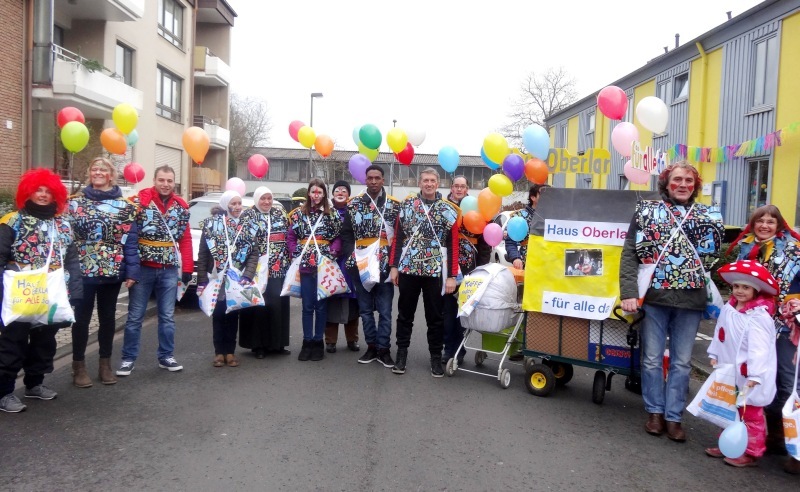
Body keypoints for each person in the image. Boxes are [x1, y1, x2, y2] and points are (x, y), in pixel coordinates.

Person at [619, 161, 724, 442]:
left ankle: (673, 416)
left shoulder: (707, 215)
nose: (683, 185)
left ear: (695, 186)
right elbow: (630, 253)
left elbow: (712, 257)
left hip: (691, 300)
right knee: (652, 359)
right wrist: (628, 292)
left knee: (682, 362)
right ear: (666, 183)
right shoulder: (646, 211)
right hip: (655, 298)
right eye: (677, 179)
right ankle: (655, 412)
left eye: (689, 180)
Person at [0, 169, 82, 413]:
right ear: (28, 192)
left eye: (48, 191)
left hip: (53, 293)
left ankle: (34, 384)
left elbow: (72, 260)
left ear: (56, 195)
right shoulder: (12, 221)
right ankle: (4, 392)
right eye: (38, 190)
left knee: (44, 341)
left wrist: (76, 292)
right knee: (13, 342)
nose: (43, 195)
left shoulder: (64, 225)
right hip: (20, 293)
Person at [726, 204, 800, 473]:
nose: (765, 225)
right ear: (753, 224)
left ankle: (786, 441)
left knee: (787, 382)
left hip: (784, 323)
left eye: (771, 221)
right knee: (753, 379)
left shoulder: (793, 249)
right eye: (760, 221)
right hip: (752, 322)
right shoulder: (746, 247)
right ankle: (760, 436)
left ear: (779, 225)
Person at [68, 157, 139, 387]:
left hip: (112, 270)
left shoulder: (125, 207)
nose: (98, 172)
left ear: (111, 175)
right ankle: (78, 366)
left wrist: (132, 271)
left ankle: (105, 365)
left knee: (108, 318)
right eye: (94, 169)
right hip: (82, 269)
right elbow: (65, 238)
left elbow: (130, 241)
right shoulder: (74, 204)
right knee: (81, 319)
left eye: (103, 169)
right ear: (90, 173)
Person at [117, 165, 193, 376]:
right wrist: (130, 269)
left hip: (169, 269)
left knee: (167, 316)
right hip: (143, 268)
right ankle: (128, 358)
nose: (165, 184)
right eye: (161, 180)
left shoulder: (181, 207)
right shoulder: (140, 203)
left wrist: (187, 267)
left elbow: (185, 239)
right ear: (154, 180)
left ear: (174, 183)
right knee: (135, 316)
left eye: (169, 181)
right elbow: (129, 237)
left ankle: (166, 356)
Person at [704, 260, 778, 467]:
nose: (739, 291)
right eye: (736, 286)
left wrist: (755, 375)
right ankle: (728, 444)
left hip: (750, 374)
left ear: (755, 290)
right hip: (731, 370)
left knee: (750, 413)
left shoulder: (759, 317)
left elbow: (760, 349)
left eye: (746, 287)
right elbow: (720, 333)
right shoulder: (729, 309)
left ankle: (751, 451)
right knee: (729, 408)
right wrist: (715, 353)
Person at [388, 167, 459, 377]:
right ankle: (401, 355)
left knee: (435, 318)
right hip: (408, 269)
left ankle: (435, 358)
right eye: (425, 180)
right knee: (404, 316)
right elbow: (398, 238)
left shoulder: (449, 210)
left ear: (438, 184)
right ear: (419, 183)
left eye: (432, 181)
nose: (428, 184)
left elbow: (453, 244)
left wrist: (452, 276)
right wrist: (394, 266)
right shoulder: (407, 205)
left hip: (435, 272)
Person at [342, 165, 400, 367]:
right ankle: (372, 347)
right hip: (361, 263)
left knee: (385, 311)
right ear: (365, 180)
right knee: (365, 311)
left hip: (385, 264)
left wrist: (394, 264)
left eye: (377, 178)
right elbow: (347, 234)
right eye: (370, 178)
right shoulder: (353, 204)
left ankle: (384, 349)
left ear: (383, 180)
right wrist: (352, 256)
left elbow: (399, 237)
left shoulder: (394, 205)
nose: (373, 181)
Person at [197, 190, 258, 368]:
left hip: (237, 278)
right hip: (217, 277)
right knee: (218, 314)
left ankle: (230, 352)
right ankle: (219, 352)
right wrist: (202, 279)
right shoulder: (211, 225)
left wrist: (248, 274)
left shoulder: (247, 226)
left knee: (233, 314)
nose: (237, 207)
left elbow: (254, 253)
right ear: (225, 205)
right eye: (233, 203)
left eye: (239, 203)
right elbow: (203, 253)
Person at [287, 178, 342, 362]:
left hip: (324, 264)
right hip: (305, 264)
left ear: (324, 194)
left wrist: (333, 251)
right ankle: (307, 342)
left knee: (321, 306)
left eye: (319, 192)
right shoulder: (298, 214)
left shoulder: (331, 214)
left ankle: (318, 342)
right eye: (313, 192)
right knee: (307, 306)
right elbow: (291, 236)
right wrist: (295, 251)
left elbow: (338, 237)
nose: (316, 195)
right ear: (309, 193)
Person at [237, 186, 292, 358]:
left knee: (278, 305)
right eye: (263, 198)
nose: (266, 202)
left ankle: (277, 344)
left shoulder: (280, 213)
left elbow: (289, 235)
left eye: (269, 198)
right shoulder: (248, 215)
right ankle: (258, 345)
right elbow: (242, 241)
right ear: (256, 199)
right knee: (259, 305)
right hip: (256, 269)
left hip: (278, 267)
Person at [443, 175, 490, 363]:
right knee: (446, 313)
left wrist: (482, 268)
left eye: (462, 186)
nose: (459, 189)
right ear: (451, 188)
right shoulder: (443, 207)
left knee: (462, 313)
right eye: (456, 186)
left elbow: (485, 244)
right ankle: (448, 349)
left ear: (467, 188)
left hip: (469, 269)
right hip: (446, 268)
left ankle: (459, 352)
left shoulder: (477, 208)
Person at [324, 180, 360, 354]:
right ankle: (330, 341)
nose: (340, 193)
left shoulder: (355, 211)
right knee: (331, 299)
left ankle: (352, 339)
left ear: (348, 194)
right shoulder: (325, 212)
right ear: (332, 194)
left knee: (352, 302)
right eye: (337, 190)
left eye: (344, 190)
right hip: (330, 261)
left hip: (350, 261)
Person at [506, 183, 549, 269]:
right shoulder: (520, 216)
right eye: (543, 194)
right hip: (528, 264)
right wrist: (516, 258)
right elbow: (510, 242)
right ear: (533, 197)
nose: (547, 197)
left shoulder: (556, 217)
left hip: (551, 265)